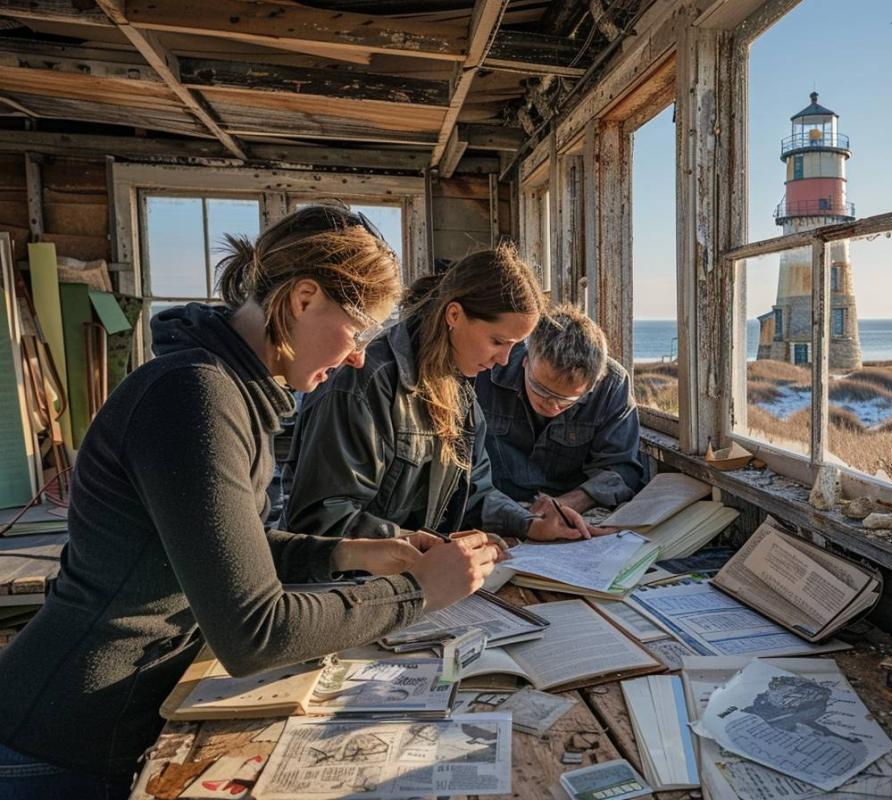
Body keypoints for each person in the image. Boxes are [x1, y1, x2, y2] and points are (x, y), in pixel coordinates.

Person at [0, 205, 503, 799]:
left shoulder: (227, 389)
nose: (361, 356)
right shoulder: (194, 398)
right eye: (359, 330)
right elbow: (253, 632)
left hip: (115, 717)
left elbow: (228, 548)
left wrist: (354, 553)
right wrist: (420, 592)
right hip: (66, 740)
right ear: (304, 299)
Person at [282, 245, 591, 542]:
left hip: (412, 574)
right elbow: (322, 522)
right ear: (454, 315)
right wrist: (424, 548)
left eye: (514, 346)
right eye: (498, 341)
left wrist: (529, 523)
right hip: (344, 585)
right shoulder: (364, 383)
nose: (504, 360)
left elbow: (475, 490)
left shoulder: (458, 385)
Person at [474, 303, 647, 524]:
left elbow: (622, 468)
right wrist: (514, 518)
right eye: (541, 389)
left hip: (571, 514)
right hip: (491, 509)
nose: (552, 406)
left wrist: (568, 503)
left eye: (568, 400)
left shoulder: (611, 385)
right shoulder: (487, 369)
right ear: (525, 359)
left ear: (592, 385)